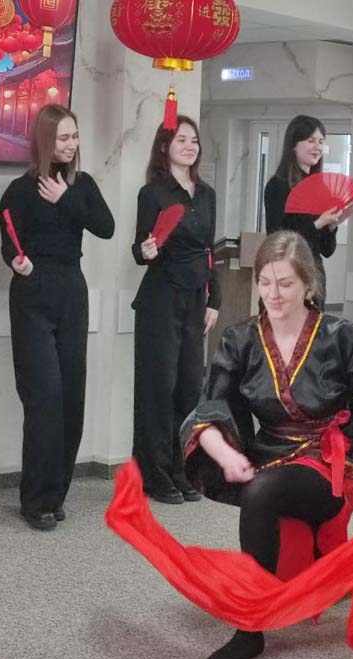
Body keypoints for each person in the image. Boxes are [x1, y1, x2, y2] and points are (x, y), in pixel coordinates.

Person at [179, 231, 353, 659]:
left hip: (332, 460)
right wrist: (226, 454)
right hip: (271, 453)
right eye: (265, 282)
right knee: (265, 489)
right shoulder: (240, 339)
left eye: (286, 283)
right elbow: (208, 411)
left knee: (262, 492)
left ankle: (249, 629)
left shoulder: (343, 336)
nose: (273, 294)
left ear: (309, 284)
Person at [0, 104, 115, 531]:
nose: (71, 144)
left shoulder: (82, 185)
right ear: (45, 141)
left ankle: (56, 493)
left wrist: (66, 200)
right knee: (43, 397)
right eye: (63, 137)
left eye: (75, 136)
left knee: (70, 397)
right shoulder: (19, 190)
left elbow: (105, 227)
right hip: (33, 291)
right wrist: (17, 263)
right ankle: (35, 499)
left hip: (72, 289)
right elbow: (8, 244)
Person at [131, 116, 220, 504]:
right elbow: (139, 249)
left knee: (189, 387)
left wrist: (214, 300)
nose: (189, 146)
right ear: (165, 146)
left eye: (194, 140)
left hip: (195, 298)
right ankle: (153, 473)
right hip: (161, 297)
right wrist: (145, 250)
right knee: (158, 388)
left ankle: (181, 470)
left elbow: (210, 250)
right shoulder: (152, 193)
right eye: (182, 140)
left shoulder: (206, 194)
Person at [263, 115, 352, 308]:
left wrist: (332, 226)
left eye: (321, 141)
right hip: (288, 274)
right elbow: (276, 238)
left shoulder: (320, 188)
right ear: (293, 145)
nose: (317, 147)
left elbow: (327, 251)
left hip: (315, 275)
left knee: (315, 326)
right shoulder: (278, 185)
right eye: (311, 140)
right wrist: (318, 223)